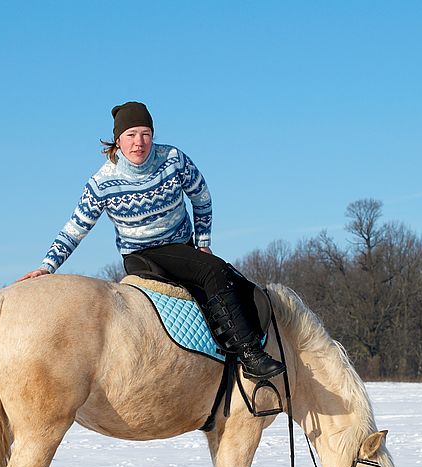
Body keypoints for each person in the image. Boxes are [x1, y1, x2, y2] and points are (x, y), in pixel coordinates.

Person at [18, 101, 285, 380]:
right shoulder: (101, 183)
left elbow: (201, 197)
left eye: (145, 134)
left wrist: (203, 241)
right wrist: (47, 267)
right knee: (213, 271)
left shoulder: (173, 159)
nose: (139, 143)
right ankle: (251, 355)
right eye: (131, 135)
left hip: (181, 245)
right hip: (140, 253)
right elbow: (75, 229)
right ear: (117, 140)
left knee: (235, 280)